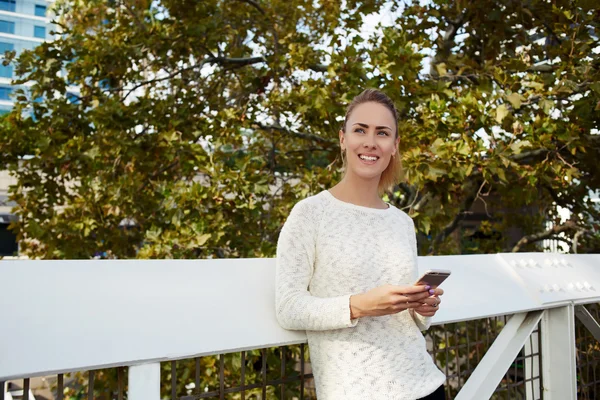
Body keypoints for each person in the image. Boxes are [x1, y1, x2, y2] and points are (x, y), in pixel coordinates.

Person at [275, 89, 446, 400]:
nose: (370, 142)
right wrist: (359, 306)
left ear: (394, 146)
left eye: (382, 133)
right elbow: (288, 308)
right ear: (343, 139)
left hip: (426, 386)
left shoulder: (402, 223)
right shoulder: (310, 214)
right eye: (360, 130)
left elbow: (414, 323)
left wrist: (423, 307)